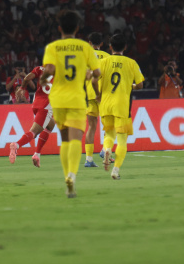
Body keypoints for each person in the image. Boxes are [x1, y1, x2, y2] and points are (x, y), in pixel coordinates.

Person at [39, 10, 101, 198]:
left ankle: (67, 175)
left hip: (57, 99)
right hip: (76, 98)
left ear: (59, 28)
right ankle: (72, 176)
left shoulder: (53, 47)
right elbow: (96, 73)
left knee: (65, 139)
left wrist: (43, 80)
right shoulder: (85, 47)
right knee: (75, 139)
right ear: (77, 28)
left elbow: (49, 70)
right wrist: (89, 75)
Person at [95, 33, 145, 180]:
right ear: (125, 47)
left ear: (110, 47)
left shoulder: (103, 62)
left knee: (109, 134)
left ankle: (107, 149)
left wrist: (98, 93)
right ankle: (115, 170)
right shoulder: (132, 63)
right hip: (122, 105)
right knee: (122, 139)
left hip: (105, 104)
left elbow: (93, 78)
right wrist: (131, 86)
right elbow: (141, 85)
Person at [9, 64, 56, 167]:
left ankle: (36, 154)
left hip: (36, 102)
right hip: (46, 106)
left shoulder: (40, 68)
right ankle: (16, 145)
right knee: (34, 132)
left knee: (50, 125)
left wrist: (22, 88)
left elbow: (27, 78)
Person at [83, 32, 109, 167]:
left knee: (91, 127)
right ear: (102, 44)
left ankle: (88, 159)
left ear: (89, 43)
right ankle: (105, 149)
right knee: (109, 125)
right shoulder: (108, 57)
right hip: (103, 95)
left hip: (89, 95)